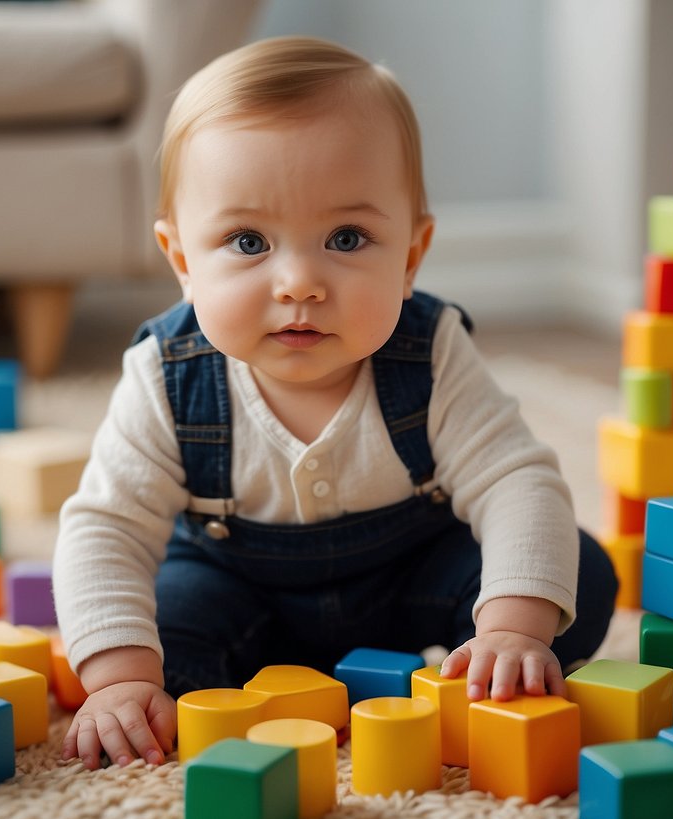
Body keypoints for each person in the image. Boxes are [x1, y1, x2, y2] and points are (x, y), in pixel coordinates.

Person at [54, 35, 617, 771]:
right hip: (238, 593)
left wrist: (513, 627)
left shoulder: (431, 350)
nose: (298, 282)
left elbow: (515, 481)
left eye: (346, 237)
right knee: (159, 628)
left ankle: (467, 658)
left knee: (575, 572)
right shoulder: (167, 374)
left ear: (410, 257)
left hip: (408, 586)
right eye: (248, 240)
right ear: (183, 262)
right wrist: (119, 678)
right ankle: (248, 682)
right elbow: (106, 527)